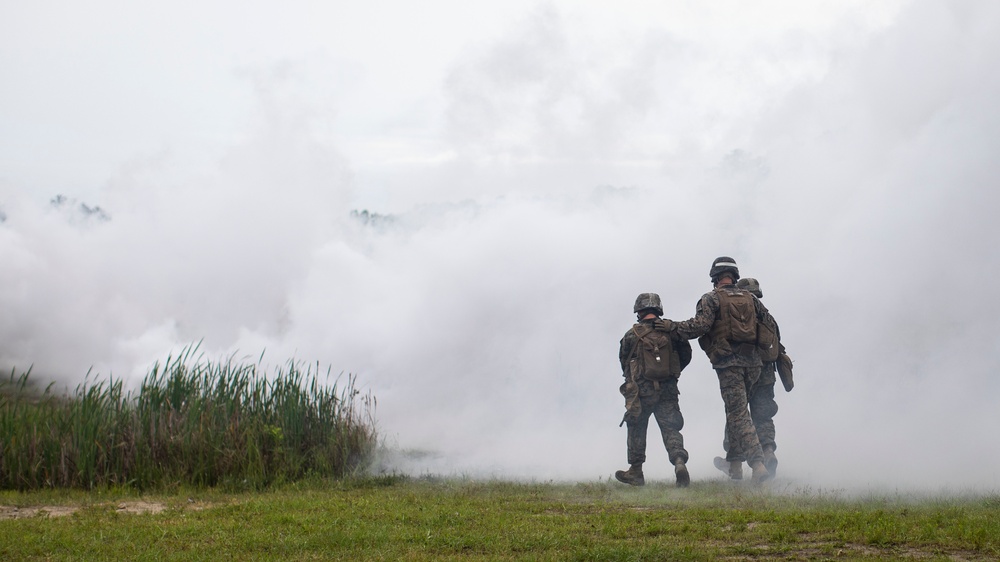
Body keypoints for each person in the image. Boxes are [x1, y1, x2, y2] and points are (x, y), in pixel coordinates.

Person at [667, 257, 774, 484]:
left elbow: (699, 326)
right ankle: (734, 466)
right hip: (754, 365)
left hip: (729, 365)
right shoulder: (752, 299)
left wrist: (672, 327)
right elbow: (769, 325)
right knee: (737, 412)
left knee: (738, 415)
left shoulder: (711, 298)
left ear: (715, 278)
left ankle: (757, 464)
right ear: (734, 276)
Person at [712, 277, 793, 480]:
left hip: (746, 368)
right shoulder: (769, 319)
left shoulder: (739, 316)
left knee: (737, 415)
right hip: (767, 375)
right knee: (763, 415)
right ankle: (768, 451)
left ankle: (734, 462)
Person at [615, 292, 693, 487]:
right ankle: (679, 462)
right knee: (671, 427)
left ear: (639, 311)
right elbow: (686, 356)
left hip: (641, 392)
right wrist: (672, 374)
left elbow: (624, 361)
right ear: (658, 309)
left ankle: (636, 471)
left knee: (636, 427)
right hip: (668, 389)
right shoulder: (671, 332)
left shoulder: (632, 334)